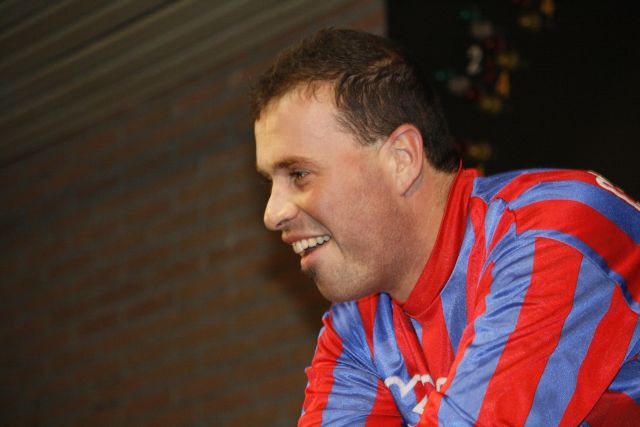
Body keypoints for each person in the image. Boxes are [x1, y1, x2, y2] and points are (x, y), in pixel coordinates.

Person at [251, 28, 640, 426]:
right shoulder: (357, 321)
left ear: (402, 159)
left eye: (298, 174)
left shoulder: (556, 232)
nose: (272, 214)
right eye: (270, 183)